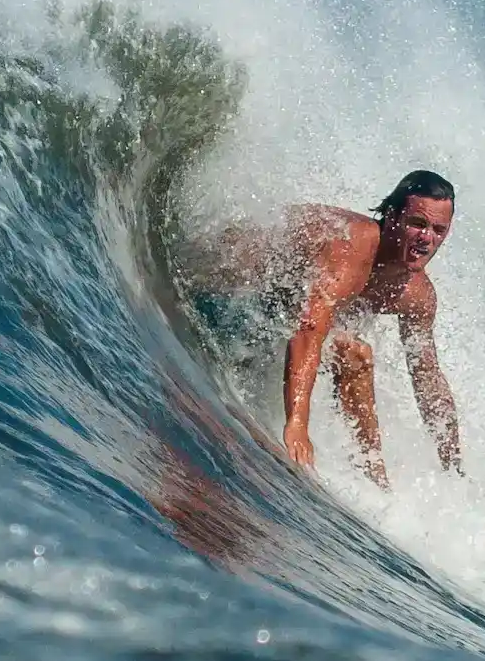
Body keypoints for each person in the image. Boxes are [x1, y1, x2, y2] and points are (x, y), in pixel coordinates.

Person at [189, 170, 462, 488]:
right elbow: (309, 330)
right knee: (351, 349)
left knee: (355, 354)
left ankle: (375, 481)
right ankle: (358, 471)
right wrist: (297, 424)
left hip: (270, 308)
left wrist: (453, 466)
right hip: (225, 277)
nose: (426, 238)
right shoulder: (349, 248)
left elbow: (428, 379)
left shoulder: (416, 294)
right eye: (418, 223)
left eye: (438, 230)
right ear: (392, 217)